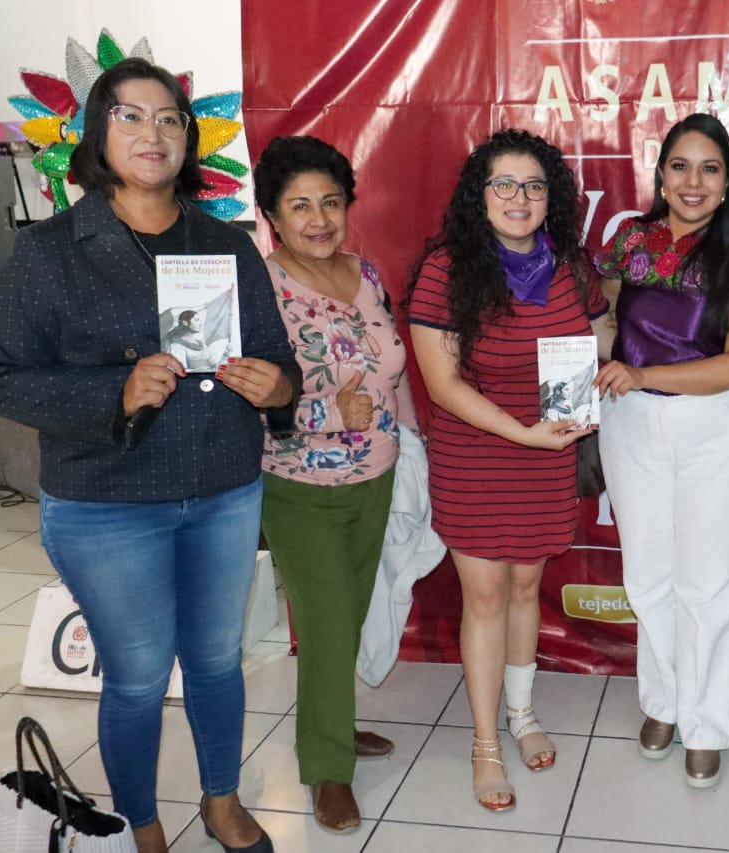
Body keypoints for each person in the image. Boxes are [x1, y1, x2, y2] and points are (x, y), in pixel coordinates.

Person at [0, 58, 299, 853]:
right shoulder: (52, 249)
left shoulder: (225, 243)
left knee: (219, 660)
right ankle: (140, 820)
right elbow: (0, 378)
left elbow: (275, 356)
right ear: (96, 131)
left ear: (189, 139)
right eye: (131, 116)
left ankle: (221, 800)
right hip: (107, 501)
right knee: (140, 674)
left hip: (222, 486)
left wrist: (275, 386)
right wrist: (113, 393)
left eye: (169, 119)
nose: (153, 134)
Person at [406, 129, 610, 811]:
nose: (519, 198)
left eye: (533, 186)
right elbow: (442, 385)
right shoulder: (447, 268)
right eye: (503, 185)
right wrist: (522, 431)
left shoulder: (572, 267)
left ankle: (523, 713)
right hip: (479, 452)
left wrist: (597, 368)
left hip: (549, 452)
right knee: (487, 596)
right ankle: (485, 741)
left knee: (528, 588)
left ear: (551, 198)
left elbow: (599, 329)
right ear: (480, 195)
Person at [593, 113, 729, 789]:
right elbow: (607, 317)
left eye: (708, 168)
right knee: (647, 576)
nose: (692, 182)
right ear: (661, 173)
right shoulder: (630, 241)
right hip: (631, 424)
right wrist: (584, 361)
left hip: (716, 427)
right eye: (680, 166)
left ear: (728, 179)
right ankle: (662, 704)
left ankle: (707, 724)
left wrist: (642, 373)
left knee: (709, 582)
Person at [252, 135, 418, 832]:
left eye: (330, 201)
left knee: (346, 614)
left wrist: (412, 442)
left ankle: (335, 724)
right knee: (322, 624)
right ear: (272, 216)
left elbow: (391, 369)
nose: (319, 218)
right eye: (300, 206)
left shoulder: (366, 272)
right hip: (299, 486)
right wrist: (324, 412)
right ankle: (326, 768)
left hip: (375, 475)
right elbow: (241, 392)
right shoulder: (258, 285)